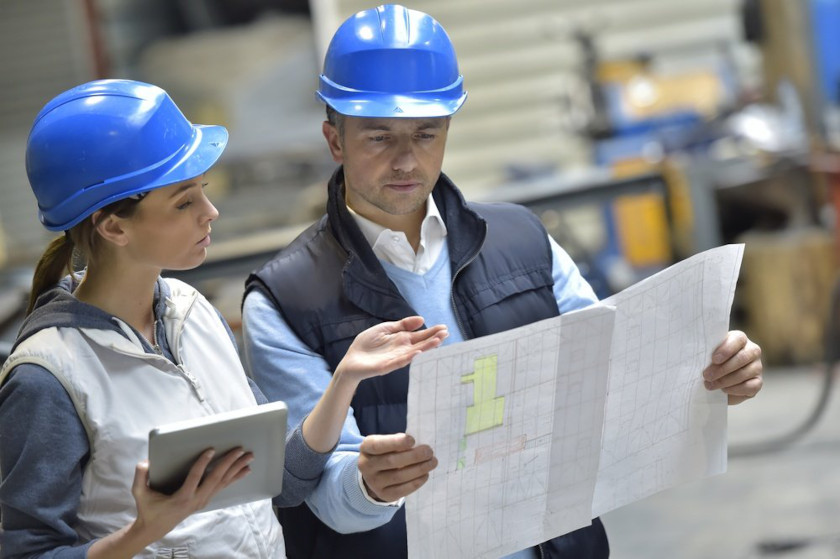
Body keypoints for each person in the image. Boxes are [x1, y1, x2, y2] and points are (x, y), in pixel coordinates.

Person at [241, 4, 764, 558]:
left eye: (425, 134)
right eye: (378, 137)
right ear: (335, 140)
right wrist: (370, 486)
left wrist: (705, 379)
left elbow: (613, 381)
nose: (405, 160)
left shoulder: (523, 241)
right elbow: (317, 492)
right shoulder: (284, 301)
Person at [0, 79, 448, 558]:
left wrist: (343, 381)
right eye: (184, 200)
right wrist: (140, 534)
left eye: (203, 191)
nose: (210, 212)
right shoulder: (48, 378)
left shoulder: (192, 314)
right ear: (113, 227)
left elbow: (282, 483)